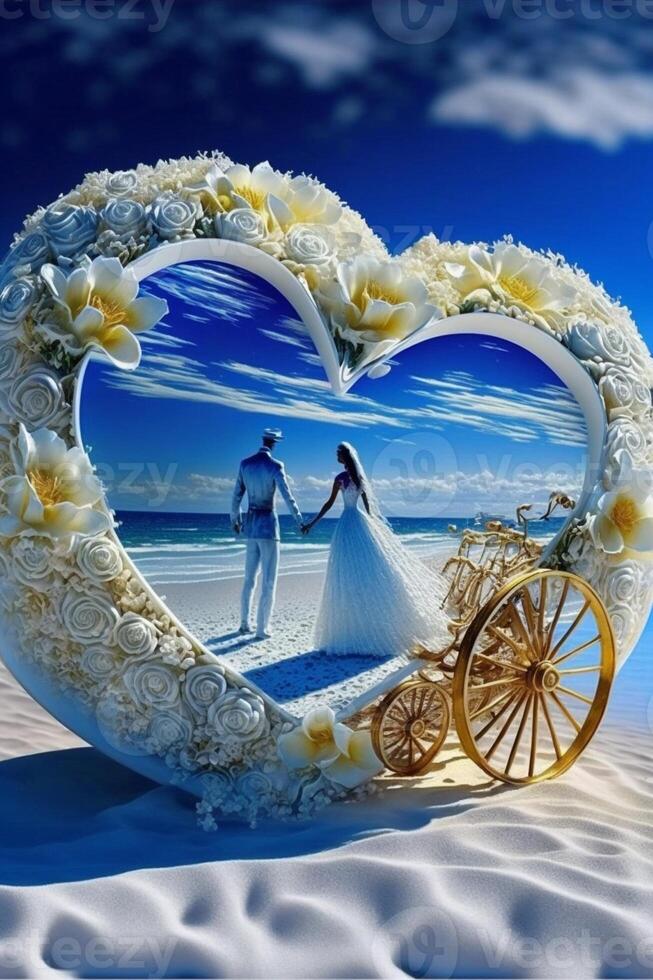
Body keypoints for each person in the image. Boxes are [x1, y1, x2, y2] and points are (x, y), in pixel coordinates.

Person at [304, 442, 451, 658]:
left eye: (338, 454)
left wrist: (312, 523)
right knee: (368, 573)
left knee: (347, 576)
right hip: (361, 523)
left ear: (344, 458)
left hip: (347, 523)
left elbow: (328, 504)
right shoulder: (360, 479)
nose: (336, 456)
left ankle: (354, 627)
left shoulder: (340, 479)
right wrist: (374, 527)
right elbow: (369, 508)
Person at [231, 428, 304, 639]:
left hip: (250, 526)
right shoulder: (275, 466)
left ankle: (244, 624)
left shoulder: (245, 464)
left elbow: (236, 497)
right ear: (275, 443)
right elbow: (288, 497)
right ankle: (262, 629)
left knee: (248, 579)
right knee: (269, 580)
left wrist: (235, 520)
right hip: (269, 527)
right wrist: (299, 521)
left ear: (263, 440)